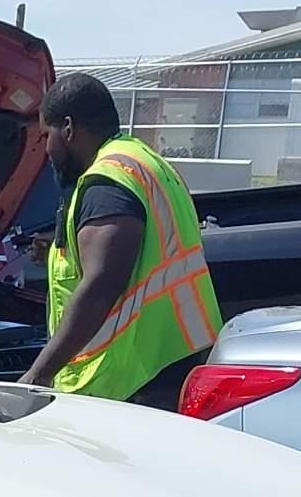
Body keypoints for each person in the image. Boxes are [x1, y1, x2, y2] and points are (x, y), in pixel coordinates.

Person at [16, 74, 222, 412]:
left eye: (46, 136)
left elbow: (101, 285)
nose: (47, 150)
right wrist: (58, 248)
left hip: (129, 376)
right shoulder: (143, 160)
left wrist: (39, 375)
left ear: (67, 128)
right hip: (174, 356)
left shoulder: (106, 182)